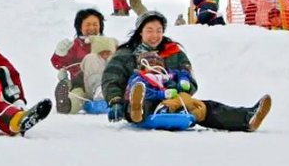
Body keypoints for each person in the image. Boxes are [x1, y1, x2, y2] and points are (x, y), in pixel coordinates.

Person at [101, 12, 271, 131]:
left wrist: (182, 85)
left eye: (159, 31)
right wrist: (115, 101)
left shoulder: (173, 52)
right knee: (142, 99)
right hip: (141, 98)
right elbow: (111, 77)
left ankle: (248, 118)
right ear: (140, 32)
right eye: (149, 30)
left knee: (204, 107)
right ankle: (136, 111)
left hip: (174, 98)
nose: (155, 35)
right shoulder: (126, 53)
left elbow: (188, 77)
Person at [51, 9, 118, 114]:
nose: (91, 28)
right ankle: (66, 105)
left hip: (105, 84)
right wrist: (60, 53)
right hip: (81, 85)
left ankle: (101, 92)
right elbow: (59, 63)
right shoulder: (75, 46)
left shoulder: (108, 43)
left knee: (95, 59)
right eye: (88, 24)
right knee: (76, 97)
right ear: (80, 27)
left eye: (95, 24)